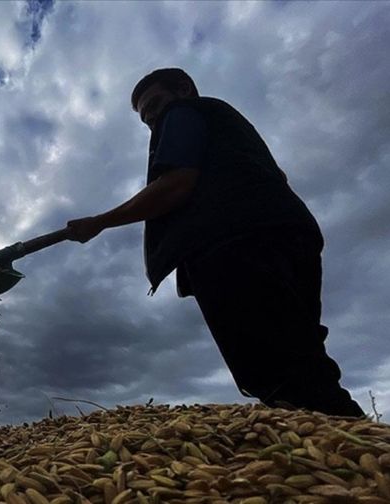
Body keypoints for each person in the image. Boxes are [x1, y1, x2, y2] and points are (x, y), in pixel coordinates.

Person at [65, 68, 364, 418]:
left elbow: (178, 182)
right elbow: (279, 177)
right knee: (301, 352)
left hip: (235, 245)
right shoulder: (233, 126)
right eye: (147, 119)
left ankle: (340, 454)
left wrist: (99, 222)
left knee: (273, 368)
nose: (155, 120)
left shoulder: (184, 112)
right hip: (290, 233)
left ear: (183, 89)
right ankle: (354, 448)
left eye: (156, 106)